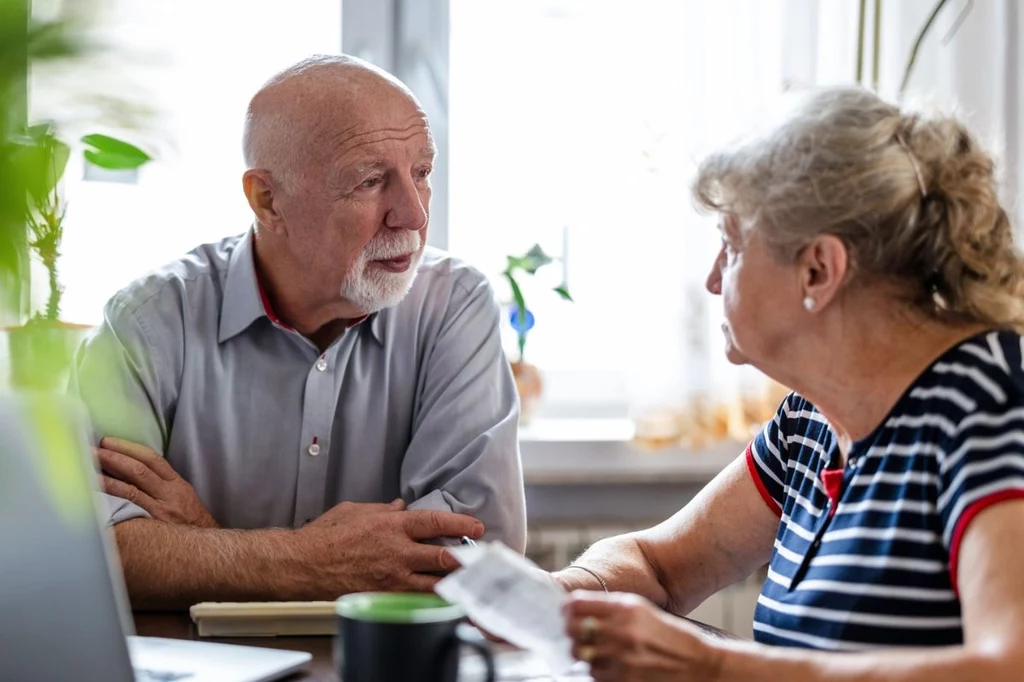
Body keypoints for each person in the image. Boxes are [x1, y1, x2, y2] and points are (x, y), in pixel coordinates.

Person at [551, 86, 1024, 680]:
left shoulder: (992, 406)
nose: (712, 279)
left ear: (818, 270)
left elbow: (1007, 666)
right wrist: (556, 594)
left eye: (732, 244)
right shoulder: (813, 420)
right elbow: (659, 568)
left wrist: (717, 666)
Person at [70, 54, 526, 609]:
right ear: (268, 199)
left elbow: (477, 558)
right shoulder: (147, 323)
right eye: (370, 181)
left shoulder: (454, 306)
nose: (413, 214)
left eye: (422, 173)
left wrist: (203, 540)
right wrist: (314, 559)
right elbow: (91, 554)